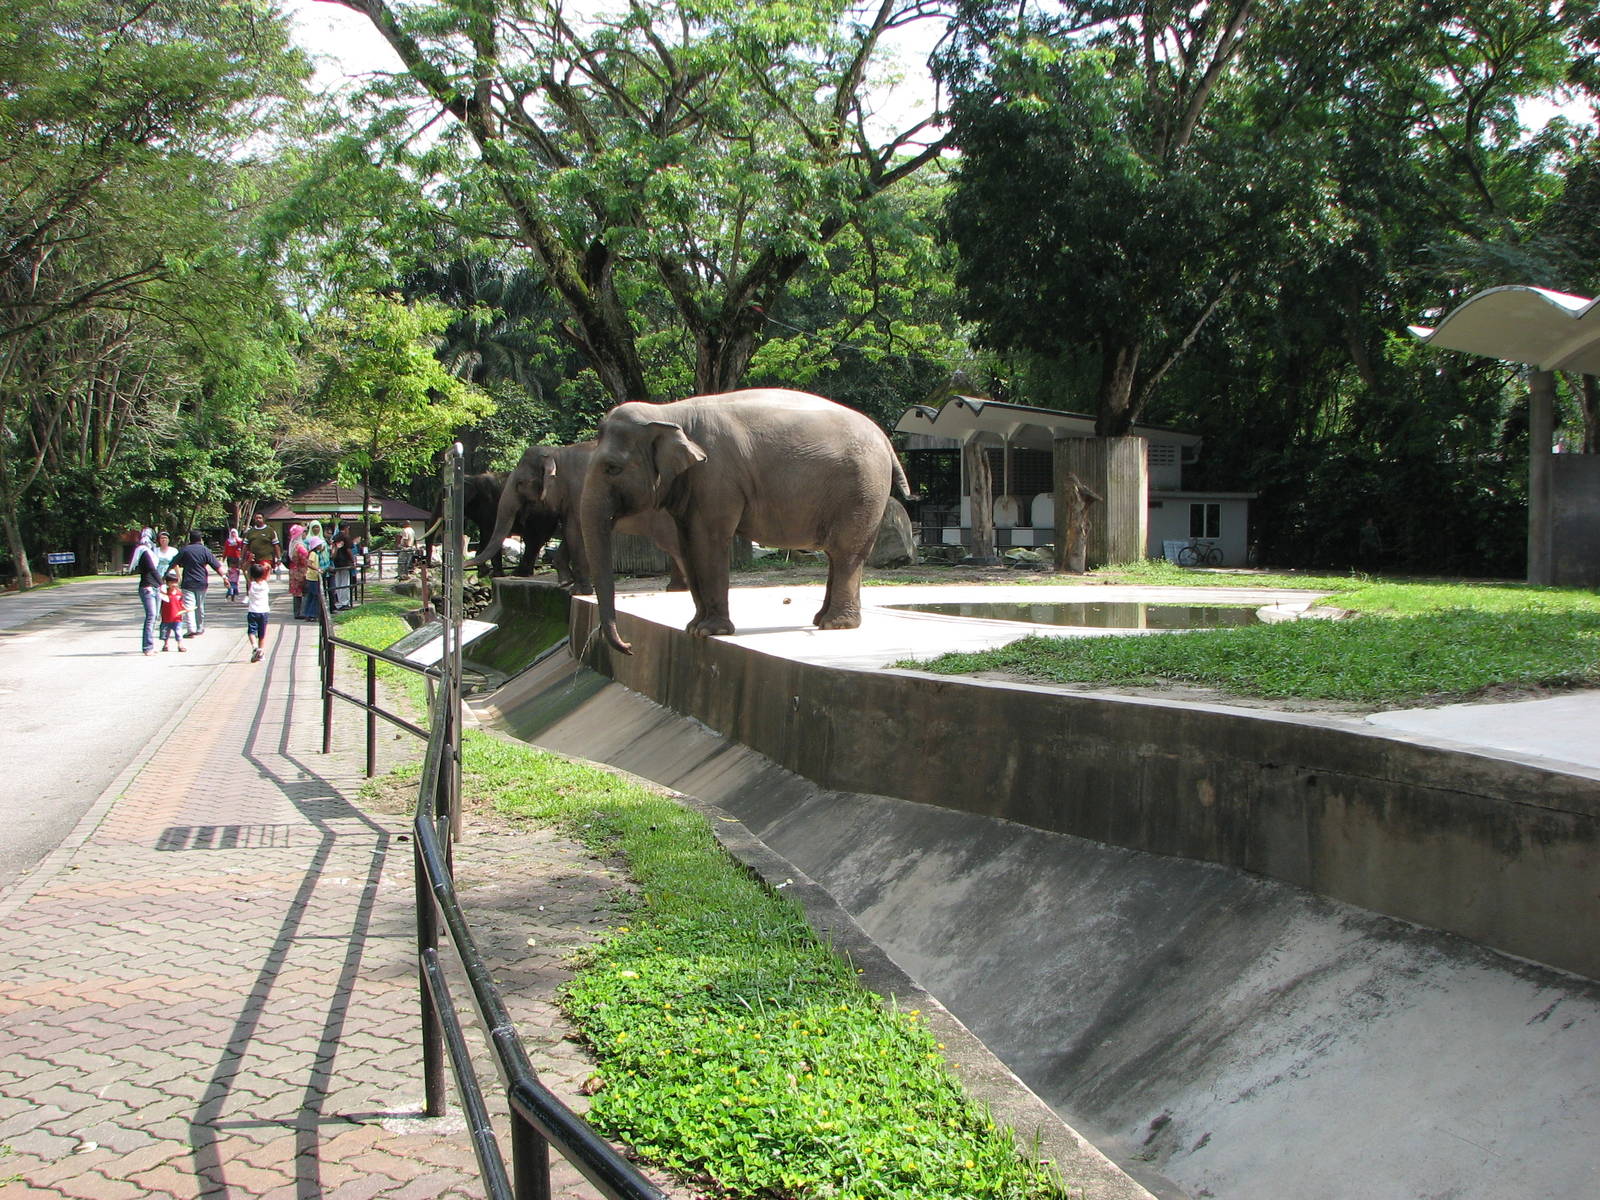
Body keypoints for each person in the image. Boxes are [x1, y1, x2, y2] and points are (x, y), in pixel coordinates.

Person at [172, 530, 226, 637]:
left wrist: (168, 577)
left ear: (190, 539)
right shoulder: (205, 550)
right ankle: (200, 628)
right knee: (199, 606)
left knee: (189, 606)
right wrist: (224, 577)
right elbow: (216, 565)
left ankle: (191, 629)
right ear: (200, 539)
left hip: (188, 582)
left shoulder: (184, 550)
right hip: (201, 582)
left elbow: (173, 563)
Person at [125, 530, 164, 656]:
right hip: (148, 588)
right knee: (151, 616)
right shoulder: (144, 552)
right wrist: (162, 583)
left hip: (155, 587)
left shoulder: (150, 551)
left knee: (155, 616)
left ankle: (151, 644)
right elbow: (152, 570)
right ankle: (147, 646)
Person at [300, 520, 327, 621]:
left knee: (312, 596)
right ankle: (311, 614)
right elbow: (309, 564)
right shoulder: (312, 554)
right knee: (314, 596)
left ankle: (309, 613)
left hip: (313, 577)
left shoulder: (316, 554)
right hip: (312, 578)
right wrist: (318, 569)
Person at [245, 560, 271, 663]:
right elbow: (267, 576)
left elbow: (246, 572)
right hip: (264, 612)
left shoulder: (251, 585)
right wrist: (268, 568)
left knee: (251, 632)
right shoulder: (265, 585)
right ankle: (261, 652)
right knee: (262, 633)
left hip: (253, 611)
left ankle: (255, 647)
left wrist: (247, 563)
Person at [158, 571, 188, 652]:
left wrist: (185, 609)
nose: (174, 585)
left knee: (178, 632)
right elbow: (159, 602)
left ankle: (180, 645)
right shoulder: (164, 593)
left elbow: (181, 603)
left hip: (177, 617)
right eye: (171, 583)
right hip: (166, 617)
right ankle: (166, 644)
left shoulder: (179, 593)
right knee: (165, 633)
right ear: (167, 583)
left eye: (175, 582)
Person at [243, 513, 279, 577]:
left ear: (263, 519)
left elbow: (276, 545)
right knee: (252, 578)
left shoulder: (270, 530)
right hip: (253, 559)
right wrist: (242, 558)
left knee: (263, 577)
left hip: (266, 559)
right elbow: (245, 546)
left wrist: (279, 558)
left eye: (260, 518)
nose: (258, 519)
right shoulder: (250, 531)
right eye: (256, 518)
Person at [285, 523, 308, 619]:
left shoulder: (292, 544)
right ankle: (302, 612)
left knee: (296, 593)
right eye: (303, 532)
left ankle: (297, 612)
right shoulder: (300, 547)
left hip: (293, 570)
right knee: (303, 592)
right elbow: (305, 560)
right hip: (300, 571)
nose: (305, 534)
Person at [329, 530, 355, 611]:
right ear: (347, 528)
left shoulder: (335, 537)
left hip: (336, 563)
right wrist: (353, 560)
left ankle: (339, 602)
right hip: (345, 563)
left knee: (338, 582)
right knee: (345, 583)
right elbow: (348, 550)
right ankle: (344, 602)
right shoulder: (346, 537)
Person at [222, 527, 244, 600]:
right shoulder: (228, 541)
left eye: (234, 533)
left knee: (236, 572)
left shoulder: (239, 540)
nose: (233, 534)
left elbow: (242, 547)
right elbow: (225, 550)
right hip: (230, 558)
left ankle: (236, 585)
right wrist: (223, 558)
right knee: (231, 571)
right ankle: (231, 585)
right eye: (232, 533)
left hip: (237, 558)